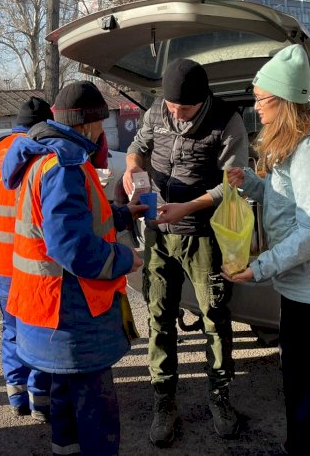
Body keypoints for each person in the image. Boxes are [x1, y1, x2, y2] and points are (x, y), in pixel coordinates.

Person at [221, 44, 310, 456]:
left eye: (261, 99)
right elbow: (286, 199)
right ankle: (303, 445)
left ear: (283, 102)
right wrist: (250, 182)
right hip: (301, 287)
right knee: (302, 381)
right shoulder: (295, 143)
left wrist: (260, 267)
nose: (255, 106)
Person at [1, 81, 146, 456]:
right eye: (101, 123)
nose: (103, 131)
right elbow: (75, 248)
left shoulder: (43, 156)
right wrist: (129, 259)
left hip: (44, 310)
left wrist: (121, 216)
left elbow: (79, 220)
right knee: (96, 410)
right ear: (88, 124)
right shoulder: (65, 166)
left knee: (63, 399)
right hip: (70, 313)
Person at [123, 58, 250, 446]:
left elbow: (233, 187)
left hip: (204, 236)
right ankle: (165, 402)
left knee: (215, 316)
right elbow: (137, 147)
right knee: (159, 317)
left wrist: (187, 207)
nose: (175, 115)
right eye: (171, 107)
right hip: (159, 234)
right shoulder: (159, 109)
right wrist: (132, 170)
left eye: (184, 109)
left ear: (203, 100)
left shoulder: (228, 122)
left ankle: (220, 398)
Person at [0, 97, 53, 421]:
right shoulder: (40, 152)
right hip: (28, 263)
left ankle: (16, 393)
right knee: (37, 332)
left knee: (10, 328)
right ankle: (40, 399)